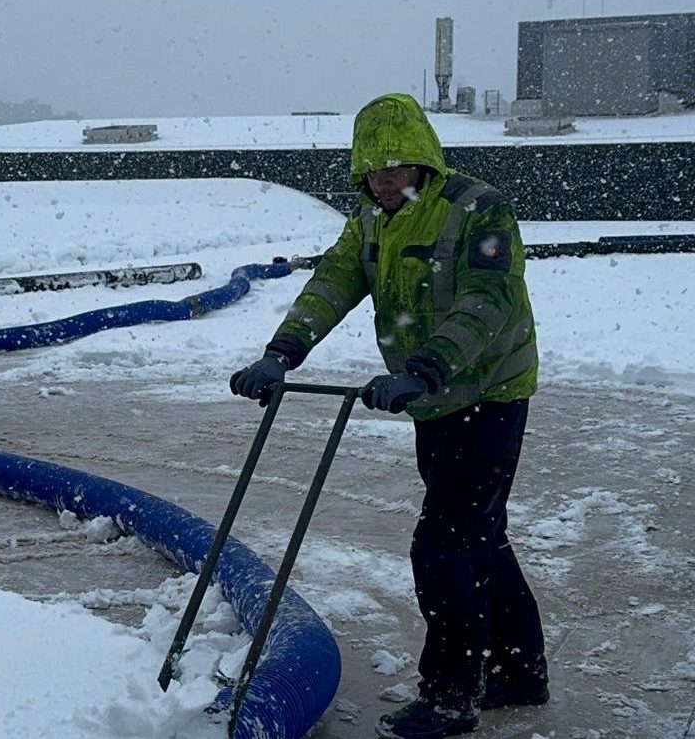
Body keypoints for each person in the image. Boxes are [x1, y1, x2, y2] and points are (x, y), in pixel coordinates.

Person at [229, 93, 548, 739]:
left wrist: (422, 369)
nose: (383, 179)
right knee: (477, 533)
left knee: (444, 548)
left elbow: (487, 304)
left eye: (395, 166)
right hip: (433, 404)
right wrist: (281, 353)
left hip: (489, 397)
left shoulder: (478, 208)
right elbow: (334, 283)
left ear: (423, 160)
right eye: (372, 170)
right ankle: (520, 670)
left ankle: (451, 696)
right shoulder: (371, 221)